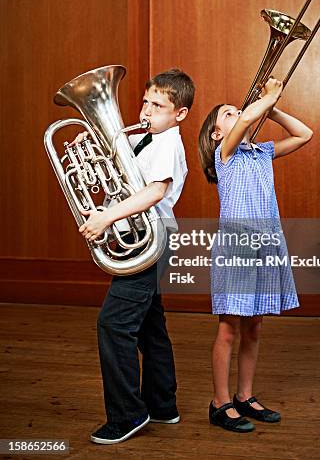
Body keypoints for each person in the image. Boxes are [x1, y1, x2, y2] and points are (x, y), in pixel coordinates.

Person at [72, 68, 195, 444]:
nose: (146, 111)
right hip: (143, 240)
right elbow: (121, 176)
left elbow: (155, 191)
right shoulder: (144, 137)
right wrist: (91, 145)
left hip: (150, 242)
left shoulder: (169, 143)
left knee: (114, 324)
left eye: (158, 106)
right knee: (148, 326)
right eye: (145, 102)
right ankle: (162, 405)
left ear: (180, 114)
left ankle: (127, 416)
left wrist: (106, 215)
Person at [198, 77, 313, 433]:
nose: (239, 113)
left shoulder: (261, 153)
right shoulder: (225, 155)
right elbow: (247, 120)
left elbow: (304, 134)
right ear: (218, 134)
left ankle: (244, 397)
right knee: (229, 328)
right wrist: (261, 103)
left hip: (267, 247)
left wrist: (274, 106)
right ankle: (220, 403)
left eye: (238, 110)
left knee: (255, 326)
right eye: (228, 114)